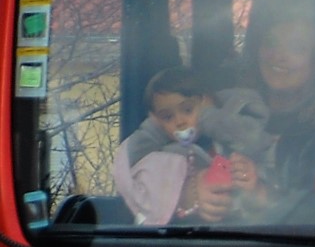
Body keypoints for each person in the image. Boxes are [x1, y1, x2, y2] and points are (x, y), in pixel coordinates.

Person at [222, 8, 315, 211]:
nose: (279, 56)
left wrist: (260, 193)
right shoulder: (229, 113)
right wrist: (193, 192)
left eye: (296, 48)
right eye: (271, 43)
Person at [112, 68, 272, 225]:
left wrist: (210, 117)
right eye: (168, 116)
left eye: (187, 109)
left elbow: (258, 142)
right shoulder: (166, 158)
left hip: (242, 232)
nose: (180, 121)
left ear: (206, 101)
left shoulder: (235, 140)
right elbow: (129, 166)